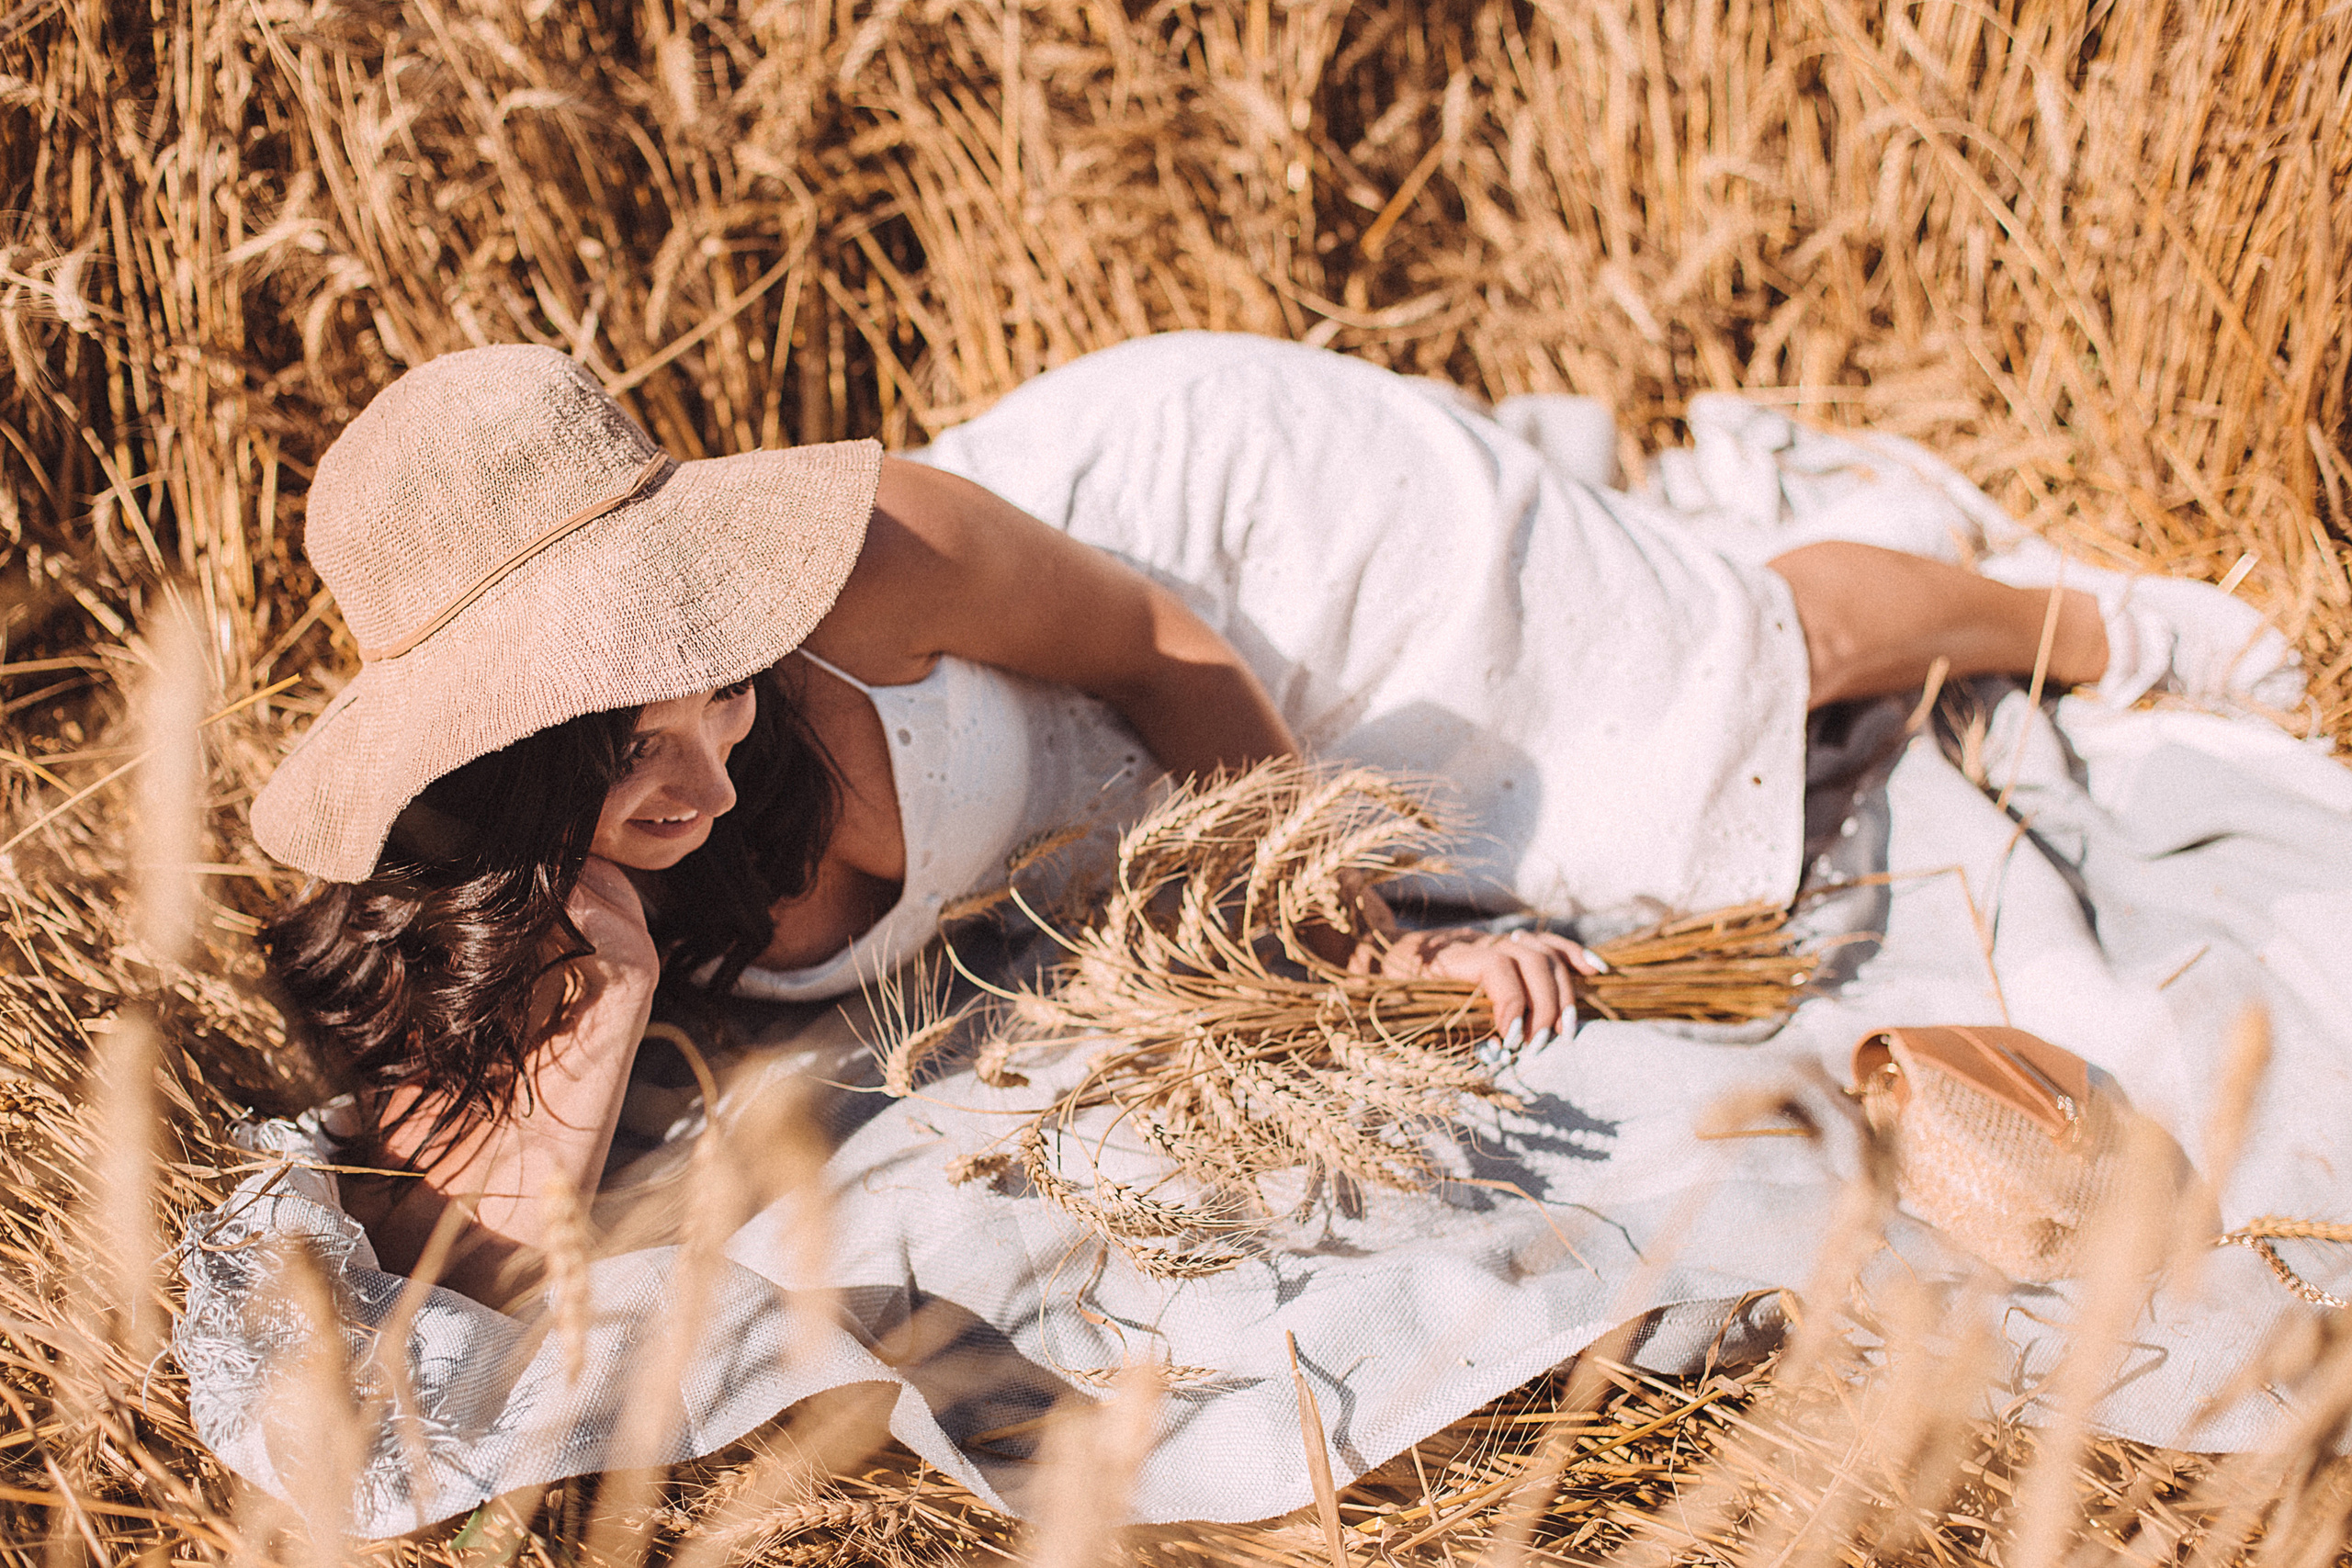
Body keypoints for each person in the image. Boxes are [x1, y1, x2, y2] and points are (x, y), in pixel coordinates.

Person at [253, 335, 2154, 1306]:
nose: (704, 776)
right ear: (501, 775)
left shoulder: (868, 561)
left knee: (1708, 679)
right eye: (625, 757)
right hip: (1104, 754)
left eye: (718, 690)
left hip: (1237, 545)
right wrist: (595, 993)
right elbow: (480, 1267)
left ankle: (2083, 615)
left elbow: (1161, 643)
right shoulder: (517, 913)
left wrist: (1360, 927)